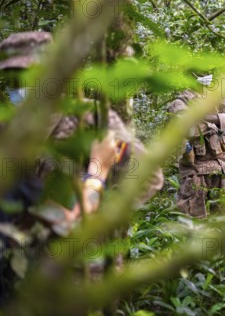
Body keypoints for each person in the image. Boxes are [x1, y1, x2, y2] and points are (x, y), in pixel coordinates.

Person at [0, 31, 164, 299]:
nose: (21, 87)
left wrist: (99, 211)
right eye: (12, 78)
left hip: (82, 276)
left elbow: (149, 177)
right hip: (18, 278)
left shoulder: (89, 121)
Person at [167, 71, 225, 218]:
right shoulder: (180, 102)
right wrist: (219, 121)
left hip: (221, 165)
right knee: (194, 217)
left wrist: (201, 117)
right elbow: (188, 128)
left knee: (224, 215)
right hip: (195, 168)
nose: (207, 76)